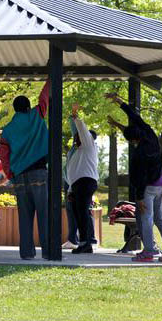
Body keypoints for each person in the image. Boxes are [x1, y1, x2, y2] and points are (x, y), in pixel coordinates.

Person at [106, 92, 162, 262]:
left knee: (146, 216)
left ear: (133, 141)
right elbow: (134, 118)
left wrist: (139, 199)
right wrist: (120, 105)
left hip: (149, 186)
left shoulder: (140, 154)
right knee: (159, 218)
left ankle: (148, 251)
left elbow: (140, 179)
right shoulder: (149, 133)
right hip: (160, 183)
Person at [0, 79, 50, 260]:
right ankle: (48, 251)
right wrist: (50, 78)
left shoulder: (7, 130)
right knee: (44, 214)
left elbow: (4, 156)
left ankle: (27, 253)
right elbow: (45, 98)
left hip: (19, 176)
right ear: (28, 107)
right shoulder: (36, 115)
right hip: (39, 172)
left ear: (15, 109)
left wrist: (10, 174)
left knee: (25, 217)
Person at [65, 103, 99, 254]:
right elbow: (73, 172)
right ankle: (84, 243)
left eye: (78, 136)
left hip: (86, 182)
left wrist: (74, 115)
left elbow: (81, 131)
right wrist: (71, 190)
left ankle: (87, 243)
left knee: (83, 212)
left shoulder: (88, 145)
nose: (75, 139)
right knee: (79, 213)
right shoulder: (78, 151)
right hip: (78, 184)